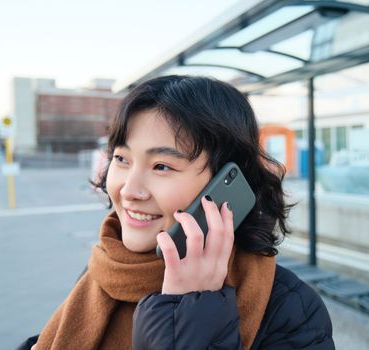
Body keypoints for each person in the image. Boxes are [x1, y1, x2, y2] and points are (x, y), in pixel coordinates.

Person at [20, 75, 334, 350]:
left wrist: (190, 318)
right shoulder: (104, 269)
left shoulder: (290, 309)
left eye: (161, 166)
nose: (129, 189)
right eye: (121, 159)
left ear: (224, 183)